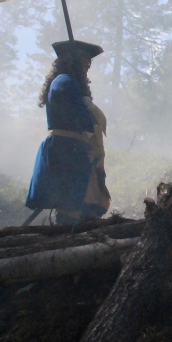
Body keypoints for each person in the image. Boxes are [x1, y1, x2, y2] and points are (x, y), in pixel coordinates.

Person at [26, 40, 111, 224]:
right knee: (69, 206)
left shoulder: (69, 82)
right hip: (66, 151)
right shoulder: (64, 81)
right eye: (84, 58)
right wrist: (86, 110)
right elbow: (77, 115)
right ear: (71, 60)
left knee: (82, 204)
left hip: (74, 150)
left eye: (89, 60)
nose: (88, 63)